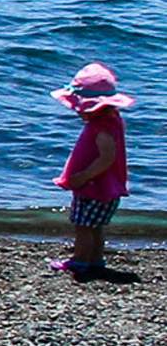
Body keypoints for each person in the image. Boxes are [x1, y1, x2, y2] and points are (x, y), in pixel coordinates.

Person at [56, 62, 131, 279]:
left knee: (83, 226)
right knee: (96, 226)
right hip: (105, 188)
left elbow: (107, 157)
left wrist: (83, 176)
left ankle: (79, 260)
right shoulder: (113, 120)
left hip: (94, 187)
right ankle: (95, 260)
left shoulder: (101, 127)